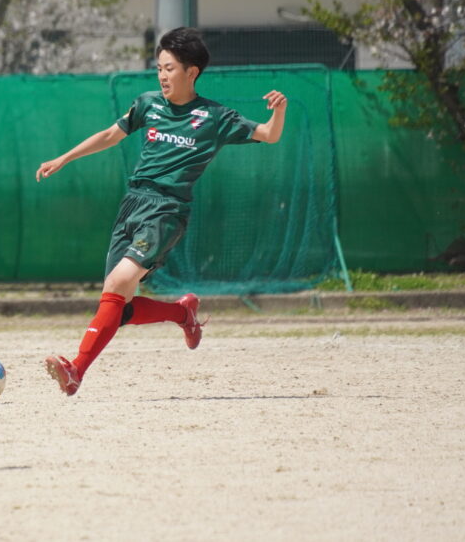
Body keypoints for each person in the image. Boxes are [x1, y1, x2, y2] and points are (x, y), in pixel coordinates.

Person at [35, 27, 288, 396]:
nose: (162, 75)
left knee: (118, 284)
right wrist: (64, 158)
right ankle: (182, 313)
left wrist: (279, 111)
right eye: (159, 68)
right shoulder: (148, 104)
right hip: (133, 203)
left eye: (169, 68)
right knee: (119, 308)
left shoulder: (214, 117)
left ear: (191, 72)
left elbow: (269, 134)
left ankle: (75, 370)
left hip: (167, 210)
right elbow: (110, 135)